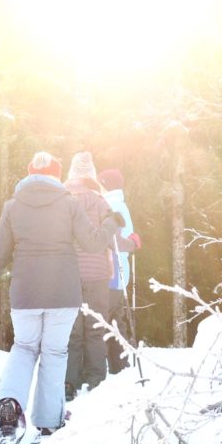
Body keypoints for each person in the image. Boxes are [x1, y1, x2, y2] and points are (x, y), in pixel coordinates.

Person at [0, 151, 125, 437]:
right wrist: (112, 222)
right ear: (58, 176)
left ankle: (10, 401)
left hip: (25, 293)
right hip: (62, 293)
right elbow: (94, 243)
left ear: (29, 173)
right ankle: (49, 419)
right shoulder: (68, 205)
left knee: (24, 348)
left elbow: (0, 252)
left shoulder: (13, 206)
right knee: (55, 353)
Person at [63, 152, 137, 400]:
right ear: (92, 176)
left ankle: (70, 382)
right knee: (96, 328)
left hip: (68, 274)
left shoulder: (61, 201)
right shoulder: (100, 202)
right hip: (97, 274)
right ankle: (95, 381)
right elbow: (111, 240)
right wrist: (131, 243)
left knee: (72, 331)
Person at [98, 168, 141, 374]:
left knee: (106, 318)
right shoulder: (120, 203)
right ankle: (120, 365)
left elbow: (114, 240)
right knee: (115, 317)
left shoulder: (111, 204)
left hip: (113, 269)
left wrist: (131, 244)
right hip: (119, 268)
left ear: (105, 184)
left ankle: (117, 365)